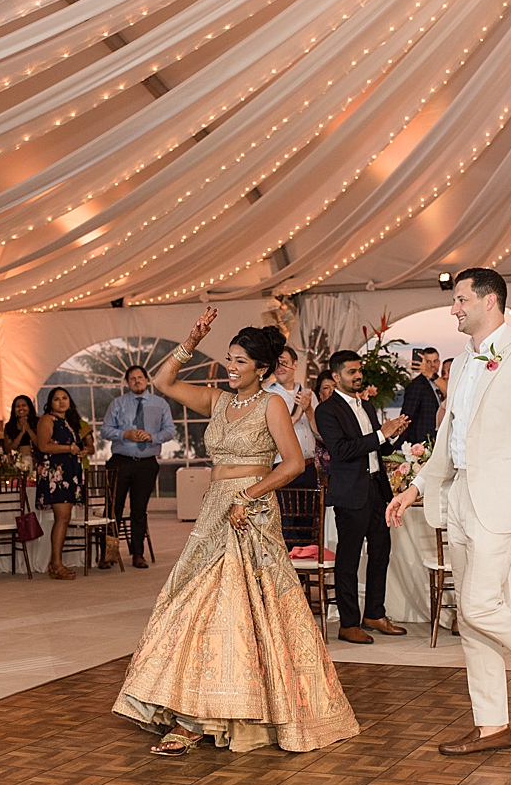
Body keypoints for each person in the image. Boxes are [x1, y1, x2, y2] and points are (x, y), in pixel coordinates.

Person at [114, 311, 359, 756]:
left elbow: (293, 463)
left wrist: (248, 495)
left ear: (262, 369)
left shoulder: (273, 405)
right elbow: (165, 381)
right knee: (193, 605)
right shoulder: (218, 401)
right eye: (229, 359)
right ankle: (194, 705)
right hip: (214, 511)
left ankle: (204, 718)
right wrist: (190, 339)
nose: (231, 367)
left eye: (241, 361)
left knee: (238, 608)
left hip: (251, 512)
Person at [387, 268, 511, 756]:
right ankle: (492, 724)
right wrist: (414, 489)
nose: (453, 309)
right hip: (460, 502)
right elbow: (449, 443)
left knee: (480, 606)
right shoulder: (465, 363)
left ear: (489, 301)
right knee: (472, 621)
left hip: (504, 504)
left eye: (460, 299)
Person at [315, 349, 410, 644]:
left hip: (375, 489)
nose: (358, 376)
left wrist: (392, 435)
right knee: (349, 558)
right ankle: (348, 623)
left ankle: (375, 613)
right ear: (336, 376)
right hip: (350, 492)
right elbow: (342, 451)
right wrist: (381, 434)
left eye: (359, 371)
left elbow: (377, 450)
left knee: (381, 551)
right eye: (351, 372)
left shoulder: (365, 407)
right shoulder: (327, 410)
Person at [100, 366, 175, 569]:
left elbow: (170, 430)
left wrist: (153, 437)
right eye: (132, 378)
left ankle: (138, 554)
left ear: (146, 380)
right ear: (127, 383)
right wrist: (124, 434)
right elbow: (105, 430)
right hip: (120, 461)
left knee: (139, 510)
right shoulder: (118, 403)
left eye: (140, 377)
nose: (136, 381)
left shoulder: (160, 404)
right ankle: (108, 553)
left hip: (147, 463)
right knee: (113, 508)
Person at [35, 387, 86, 580]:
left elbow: (74, 447)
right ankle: (55, 564)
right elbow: (43, 445)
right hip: (56, 475)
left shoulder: (69, 422)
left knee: (64, 518)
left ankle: (56, 563)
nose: (61, 402)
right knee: (62, 517)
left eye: (64, 398)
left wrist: (79, 451)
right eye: (56, 399)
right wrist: (69, 448)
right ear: (50, 402)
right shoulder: (47, 420)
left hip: (68, 474)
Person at [265, 347, 319, 491]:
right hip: (281, 466)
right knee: (284, 513)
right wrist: (296, 416)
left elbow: (319, 433)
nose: (280, 368)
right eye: (276, 364)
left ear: (295, 364)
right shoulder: (267, 394)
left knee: (310, 512)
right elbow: (268, 431)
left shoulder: (308, 394)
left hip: (308, 466)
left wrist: (308, 409)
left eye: (284, 362)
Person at [397, 347, 442, 447]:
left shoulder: (439, 384)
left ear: (439, 362)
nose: (433, 365)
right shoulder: (416, 385)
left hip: (436, 440)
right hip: (421, 441)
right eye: (428, 362)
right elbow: (407, 416)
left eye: (435, 361)